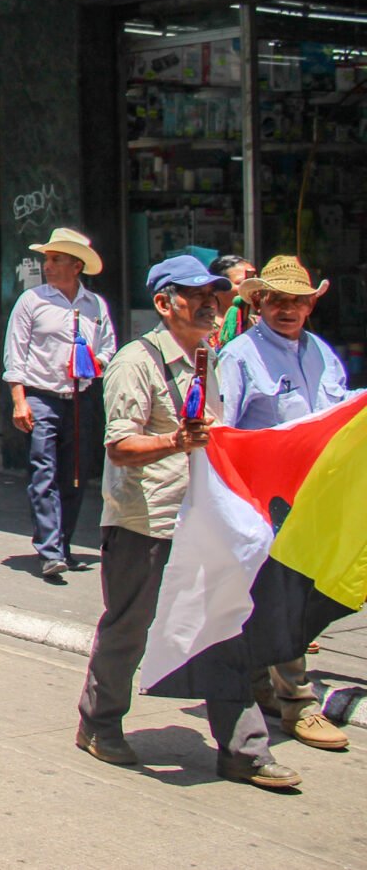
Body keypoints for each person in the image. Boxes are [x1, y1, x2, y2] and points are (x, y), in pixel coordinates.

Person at [75, 254, 299, 788]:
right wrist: (175, 441)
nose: (209, 304)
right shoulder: (137, 361)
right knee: (129, 626)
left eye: (215, 296)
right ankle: (100, 722)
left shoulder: (212, 357)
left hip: (205, 521)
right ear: (163, 303)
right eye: (196, 295)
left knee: (224, 627)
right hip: (144, 519)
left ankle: (243, 749)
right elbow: (120, 445)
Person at [214, 255, 353, 754]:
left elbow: (337, 409)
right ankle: (299, 701)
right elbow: (222, 428)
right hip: (264, 499)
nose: (287, 309)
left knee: (290, 595)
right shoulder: (240, 356)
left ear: (310, 306)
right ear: (259, 303)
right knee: (284, 597)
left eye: (297, 300)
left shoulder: (320, 353)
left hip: (313, 495)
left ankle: (261, 685)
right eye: (277, 299)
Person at [3, 227, 115, 582]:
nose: (47, 265)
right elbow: (15, 355)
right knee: (43, 471)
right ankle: (49, 548)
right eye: (47, 259)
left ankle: (63, 544)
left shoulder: (96, 306)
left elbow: (110, 349)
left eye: (55, 259)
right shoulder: (32, 301)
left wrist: (93, 361)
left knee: (76, 473)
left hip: (80, 399)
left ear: (76, 266)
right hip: (41, 395)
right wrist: (19, 400)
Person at [209, 253, 257, 348]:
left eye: (255, 281)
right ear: (216, 288)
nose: (252, 288)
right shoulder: (204, 327)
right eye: (241, 282)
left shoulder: (261, 324)